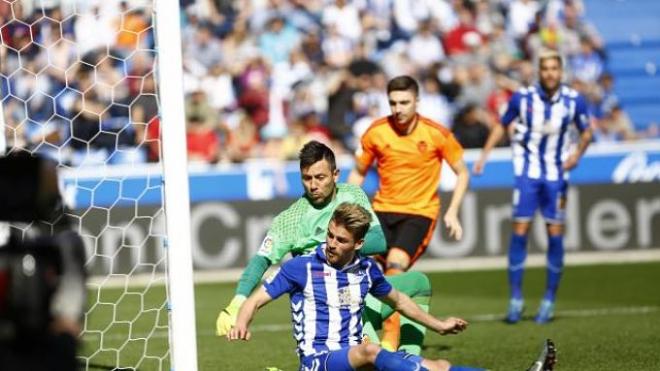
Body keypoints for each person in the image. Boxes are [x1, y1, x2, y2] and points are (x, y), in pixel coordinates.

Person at [216, 140, 434, 356]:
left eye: (320, 177)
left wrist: (331, 247)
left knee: (419, 283)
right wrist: (238, 301)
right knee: (373, 357)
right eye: (307, 178)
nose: (313, 185)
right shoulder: (290, 220)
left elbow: (378, 241)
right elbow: (260, 260)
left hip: (362, 291)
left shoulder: (353, 195)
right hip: (328, 309)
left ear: (335, 175)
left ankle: (409, 357)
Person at [228, 203, 483, 371]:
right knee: (372, 350)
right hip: (318, 361)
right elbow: (255, 301)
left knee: (439, 365)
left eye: (341, 240)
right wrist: (241, 323)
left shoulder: (367, 270)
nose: (331, 244)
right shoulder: (300, 268)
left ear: (359, 244)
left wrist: (439, 325)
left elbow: (400, 301)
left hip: (356, 357)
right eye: (330, 235)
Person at [348, 75, 470, 350]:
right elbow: (358, 172)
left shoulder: (436, 133)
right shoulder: (376, 132)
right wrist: (344, 208)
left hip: (419, 213)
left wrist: (453, 211)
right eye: (393, 103)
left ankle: (389, 344)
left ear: (417, 101)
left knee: (395, 267)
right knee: (360, 268)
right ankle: (373, 333)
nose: (398, 108)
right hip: (381, 211)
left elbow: (462, 172)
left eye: (404, 102)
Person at [473, 50, 593, 324]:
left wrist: (577, 155)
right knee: (520, 231)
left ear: (561, 71)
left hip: (557, 176)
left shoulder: (574, 101)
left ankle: (549, 299)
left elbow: (587, 132)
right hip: (527, 174)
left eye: (554, 68)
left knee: (555, 234)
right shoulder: (522, 98)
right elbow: (501, 125)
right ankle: (516, 298)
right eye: (546, 68)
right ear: (539, 71)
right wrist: (483, 156)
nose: (550, 73)